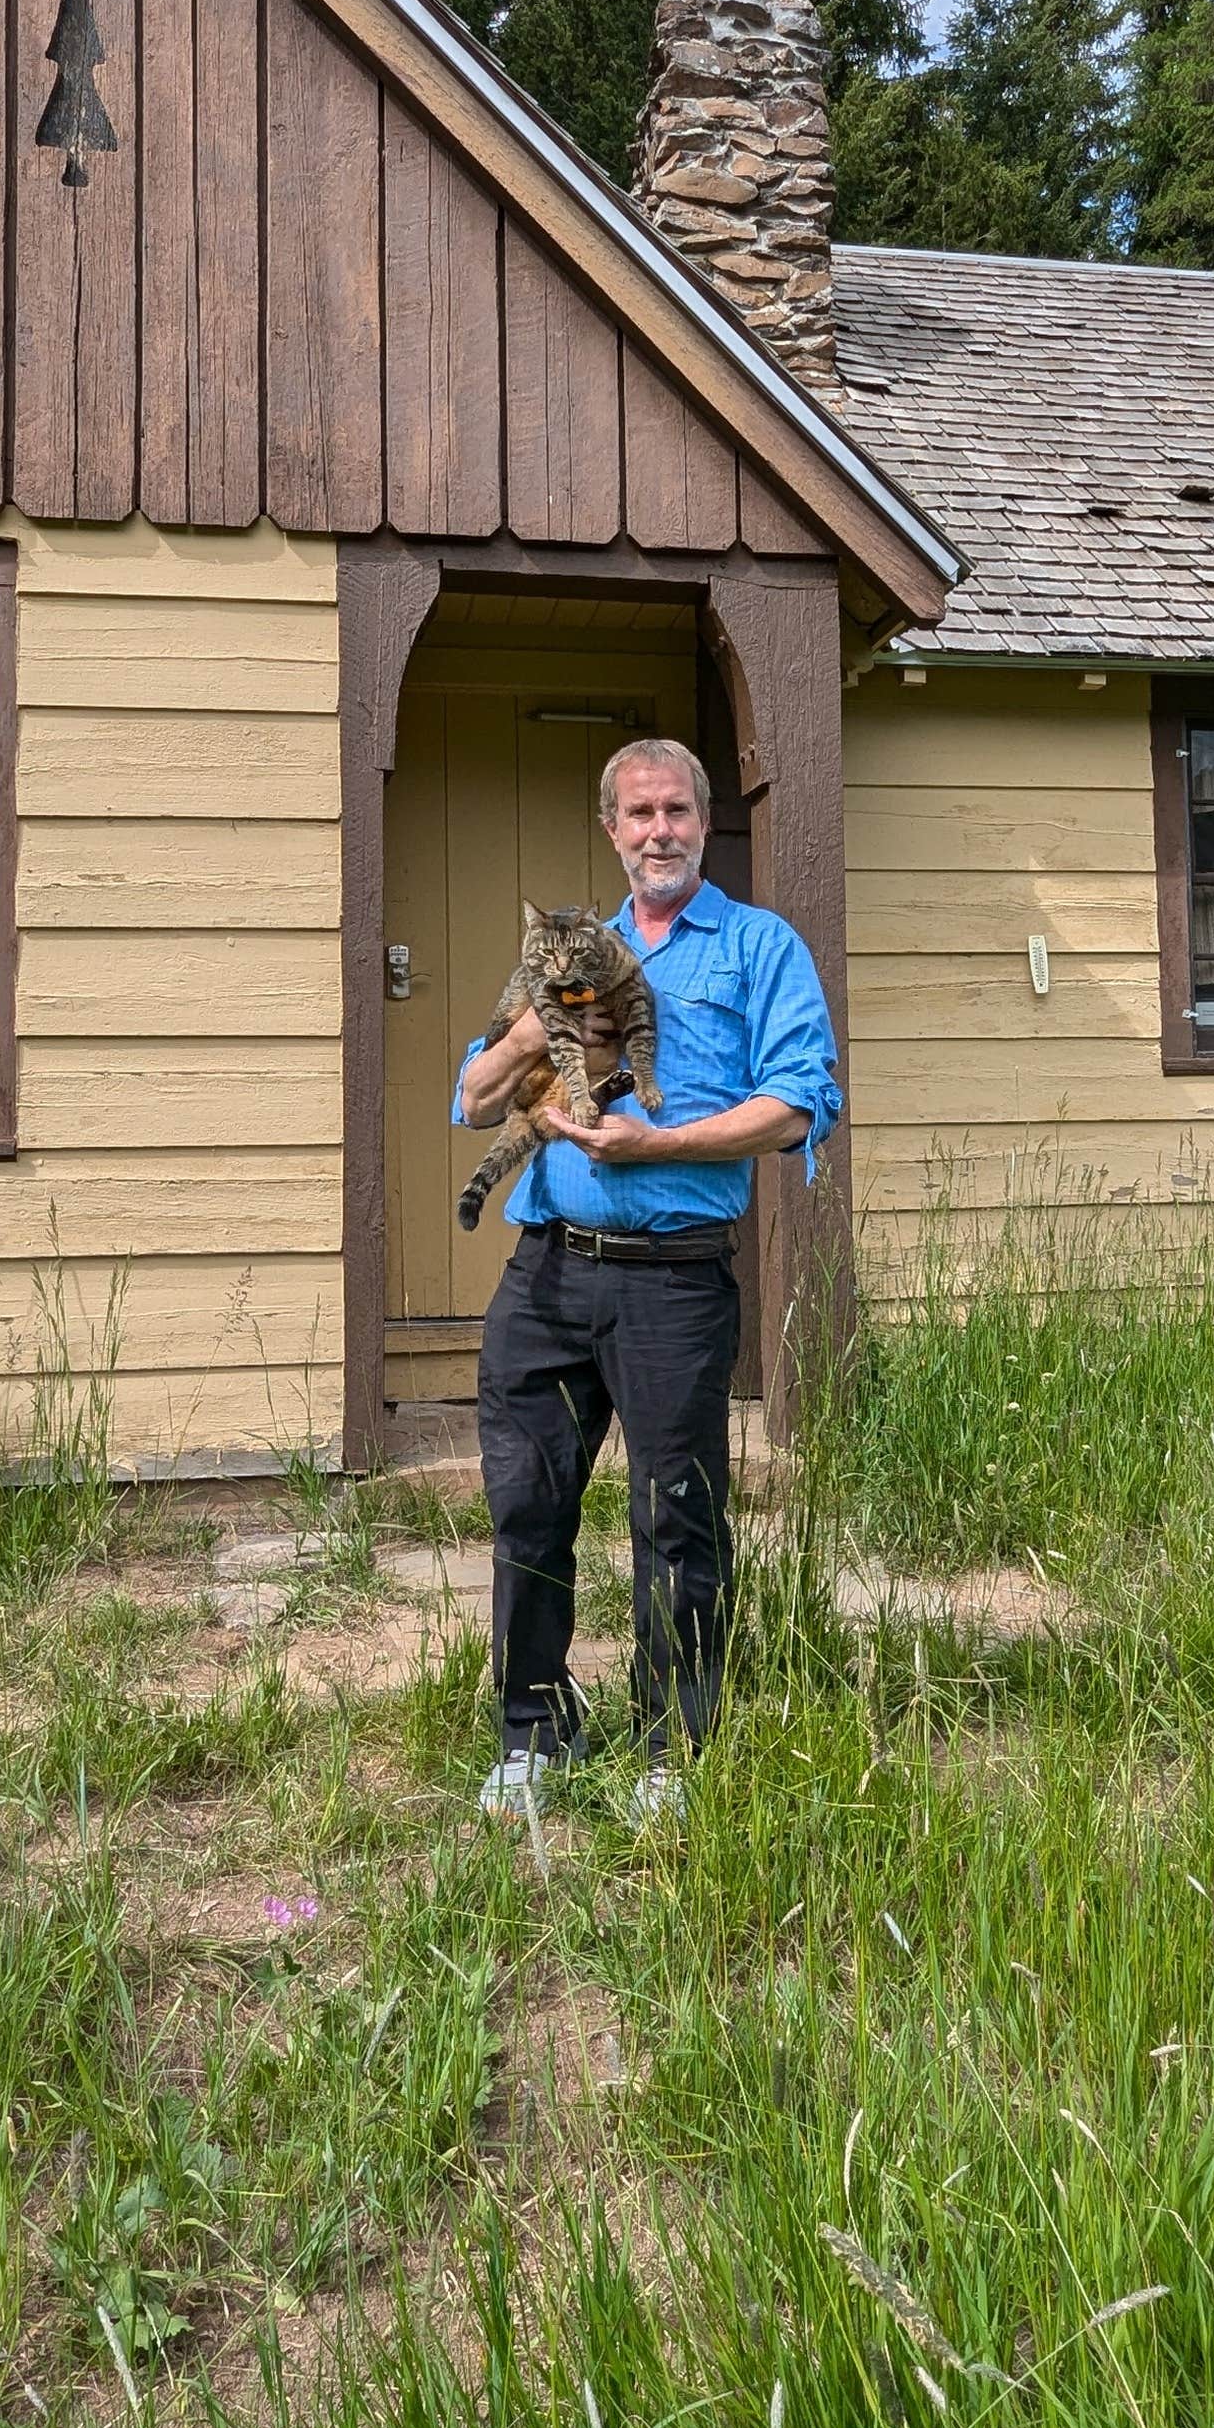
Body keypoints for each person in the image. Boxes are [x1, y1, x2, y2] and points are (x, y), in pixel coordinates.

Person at [451, 735, 839, 1824]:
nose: (658, 830)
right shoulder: (568, 949)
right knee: (527, 1504)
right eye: (638, 814)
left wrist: (658, 1148)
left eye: (676, 811)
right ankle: (535, 1729)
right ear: (611, 831)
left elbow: (799, 1102)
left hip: (673, 1280)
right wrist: (538, 1018)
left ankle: (673, 1746)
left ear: (701, 824)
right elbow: (477, 1099)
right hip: (548, 1276)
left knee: (678, 1515)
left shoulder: (762, 947)